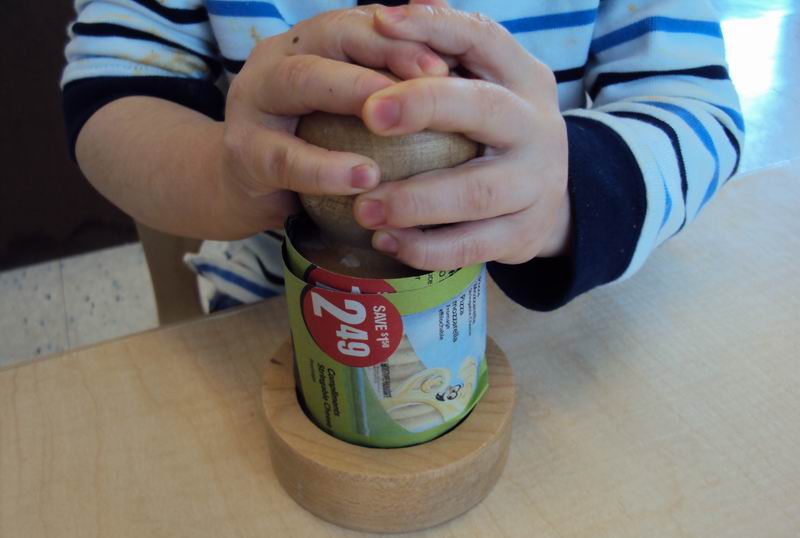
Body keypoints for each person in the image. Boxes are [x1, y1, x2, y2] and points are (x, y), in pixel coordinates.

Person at [62, 0, 743, 312]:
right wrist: (230, 174)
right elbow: (109, 101)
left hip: (547, 324)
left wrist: (565, 193)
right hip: (284, 306)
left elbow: (695, 106)